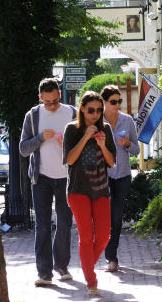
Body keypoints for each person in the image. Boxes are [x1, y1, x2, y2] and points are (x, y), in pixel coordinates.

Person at [19, 78, 76, 286]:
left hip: (67, 177)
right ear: (40, 98)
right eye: (47, 102)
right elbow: (23, 149)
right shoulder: (32, 116)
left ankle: (61, 265)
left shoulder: (72, 113)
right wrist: (41, 137)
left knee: (64, 224)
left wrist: (67, 143)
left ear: (59, 95)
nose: (51, 106)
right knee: (42, 226)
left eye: (54, 101)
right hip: (41, 177)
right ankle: (44, 273)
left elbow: (82, 144)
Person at [64, 91, 116, 297]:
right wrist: (86, 136)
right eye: (91, 110)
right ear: (82, 109)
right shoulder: (71, 129)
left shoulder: (106, 129)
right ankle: (91, 281)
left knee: (104, 235)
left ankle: (87, 267)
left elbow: (111, 162)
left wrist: (103, 145)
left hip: (101, 189)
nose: (95, 114)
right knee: (86, 237)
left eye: (99, 110)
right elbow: (69, 160)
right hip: (78, 190)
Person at [100, 84, 138, 272]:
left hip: (122, 176)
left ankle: (111, 258)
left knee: (116, 218)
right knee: (104, 217)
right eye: (113, 102)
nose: (117, 105)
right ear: (104, 103)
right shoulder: (97, 122)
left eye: (119, 101)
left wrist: (128, 143)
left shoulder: (127, 121)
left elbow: (136, 150)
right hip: (103, 176)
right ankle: (105, 253)